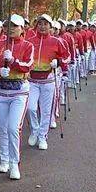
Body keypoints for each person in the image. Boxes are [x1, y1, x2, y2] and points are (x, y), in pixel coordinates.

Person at [0, 14, 34, 180]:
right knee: (2, 127)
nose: (11, 29)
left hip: (19, 92)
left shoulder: (28, 45)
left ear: (22, 29)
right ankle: (4, 159)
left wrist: (13, 61)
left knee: (13, 128)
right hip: (0, 90)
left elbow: (28, 65)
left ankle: (15, 163)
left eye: (15, 26)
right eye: (8, 26)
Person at [25, 15, 68, 150]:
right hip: (32, 80)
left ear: (50, 26)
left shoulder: (57, 42)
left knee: (46, 110)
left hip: (48, 80)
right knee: (30, 107)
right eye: (40, 24)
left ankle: (43, 136)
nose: (42, 26)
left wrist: (59, 62)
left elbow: (66, 57)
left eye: (45, 24)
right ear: (36, 25)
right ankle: (35, 130)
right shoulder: (30, 41)